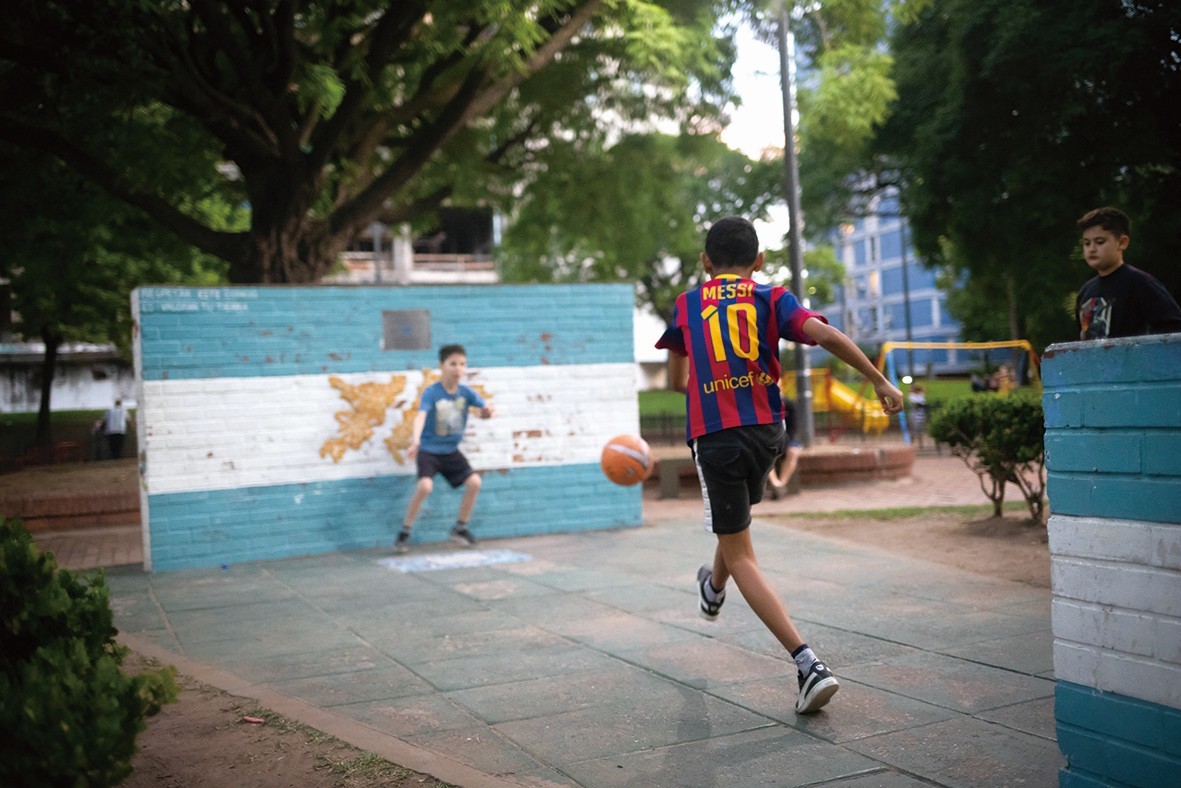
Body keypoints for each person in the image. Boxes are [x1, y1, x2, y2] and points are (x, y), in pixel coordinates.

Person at [656, 217, 904, 714]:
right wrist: (879, 379)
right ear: (760, 261)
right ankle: (713, 586)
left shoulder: (687, 304)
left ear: (705, 263)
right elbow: (825, 335)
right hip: (768, 433)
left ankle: (808, 664)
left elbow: (674, 380)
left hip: (718, 437)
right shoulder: (773, 298)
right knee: (736, 529)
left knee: (741, 550)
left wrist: (710, 387)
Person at [396, 344, 495, 553]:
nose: (458, 369)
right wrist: (415, 441)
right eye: (452, 364)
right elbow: (421, 415)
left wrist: (487, 412)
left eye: (462, 364)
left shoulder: (466, 393)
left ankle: (460, 527)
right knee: (425, 487)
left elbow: (485, 409)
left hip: (450, 451)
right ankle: (404, 532)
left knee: (474, 482)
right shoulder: (432, 392)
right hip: (429, 451)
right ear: (441, 366)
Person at [1075, 207, 1181, 340]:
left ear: (1122, 242)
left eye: (1100, 242)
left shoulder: (1140, 283)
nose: (1092, 249)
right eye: (1087, 243)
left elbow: (1174, 329)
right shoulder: (1086, 292)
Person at [766, 396, 802, 499]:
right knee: (763, 453)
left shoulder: (789, 405)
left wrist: (784, 443)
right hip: (768, 441)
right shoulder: (761, 404)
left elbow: (793, 428)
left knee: (793, 452)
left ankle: (781, 485)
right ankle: (775, 483)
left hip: (787, 439)